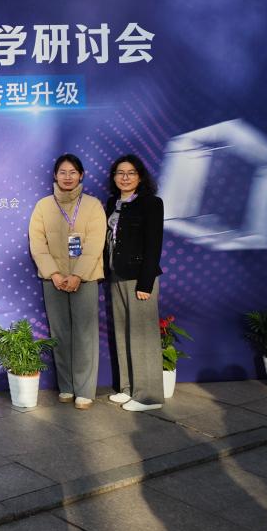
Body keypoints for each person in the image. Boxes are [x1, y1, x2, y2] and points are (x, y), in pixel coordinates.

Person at [28, 154, 107, 410]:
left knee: (84, 334)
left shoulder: (93, 205)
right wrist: (54, 273)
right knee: (60, 333)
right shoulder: (43, 206)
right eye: (62, 172)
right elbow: (37, 244)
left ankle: (85, 390)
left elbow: (95, 244)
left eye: (73, 172)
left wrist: (77, 275)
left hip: (85, 278)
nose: (68, 177)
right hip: (54, 280)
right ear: (55, 175)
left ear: (81, 175)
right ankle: (67, 386)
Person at [105, 154, 165, 412]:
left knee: (143, 336)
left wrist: (145, 283)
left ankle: (149, 397)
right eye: (120, 173)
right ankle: (129, 388)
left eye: (131, 173)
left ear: (140, 176)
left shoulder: (151, 203)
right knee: (123, 332)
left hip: (139, 278)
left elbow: (154, 245)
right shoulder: (113, 202)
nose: (125, 177)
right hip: (116, 274)